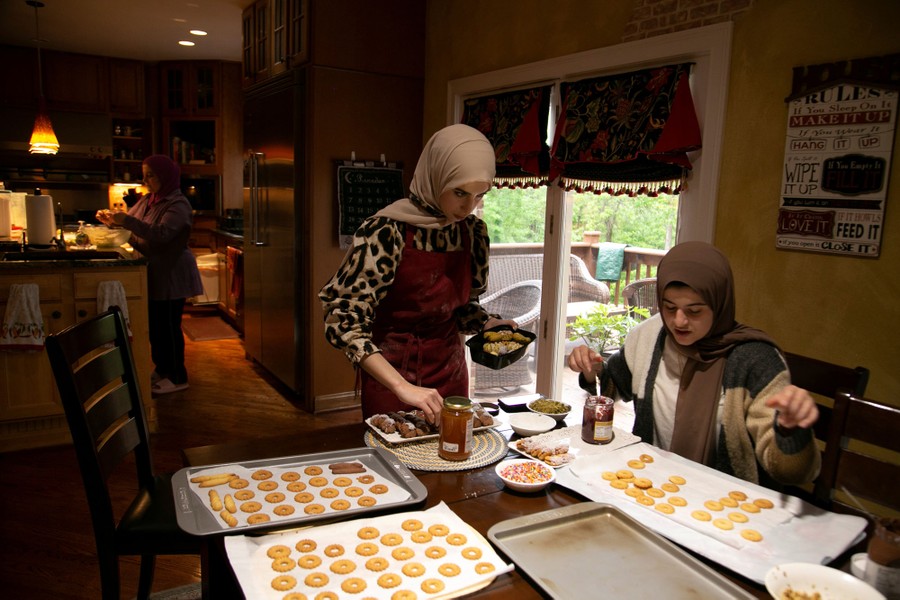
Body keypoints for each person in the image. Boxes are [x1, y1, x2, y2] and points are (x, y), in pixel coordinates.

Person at [568, 241, 820, 487]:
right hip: (651, 484)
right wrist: (594, 371)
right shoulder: (649, 335)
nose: (679, 321)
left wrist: (791, 430)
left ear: (719, 303)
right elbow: (613, 386)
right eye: (669, 307)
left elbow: (791, 473)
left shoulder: (755, 361)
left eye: (694, 311)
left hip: (725, 502)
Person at [319, 124, 517, 423]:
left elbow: (462, 309)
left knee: (452, 457)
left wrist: (488, 322)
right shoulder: (386, 231)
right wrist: (402, 386)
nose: (468, 206)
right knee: (396, 465)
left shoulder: (473, 233)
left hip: (451, 372)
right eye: (460, 192)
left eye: (479, 195)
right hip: (392, 377)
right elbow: (342, 318)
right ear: (435, 177)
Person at [97, 154, 202, 395]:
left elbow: (161, 234)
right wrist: (111, 221)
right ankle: (163, 368)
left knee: (169, 327)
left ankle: (178, 376)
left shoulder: (178, 204)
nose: (146, 180)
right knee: (156, 326)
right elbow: (131, 224)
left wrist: (126, 221)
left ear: (165, 176)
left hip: (172, 273)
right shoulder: (148, 201)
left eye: (151, 175)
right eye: (144, 175)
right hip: (154, 272)